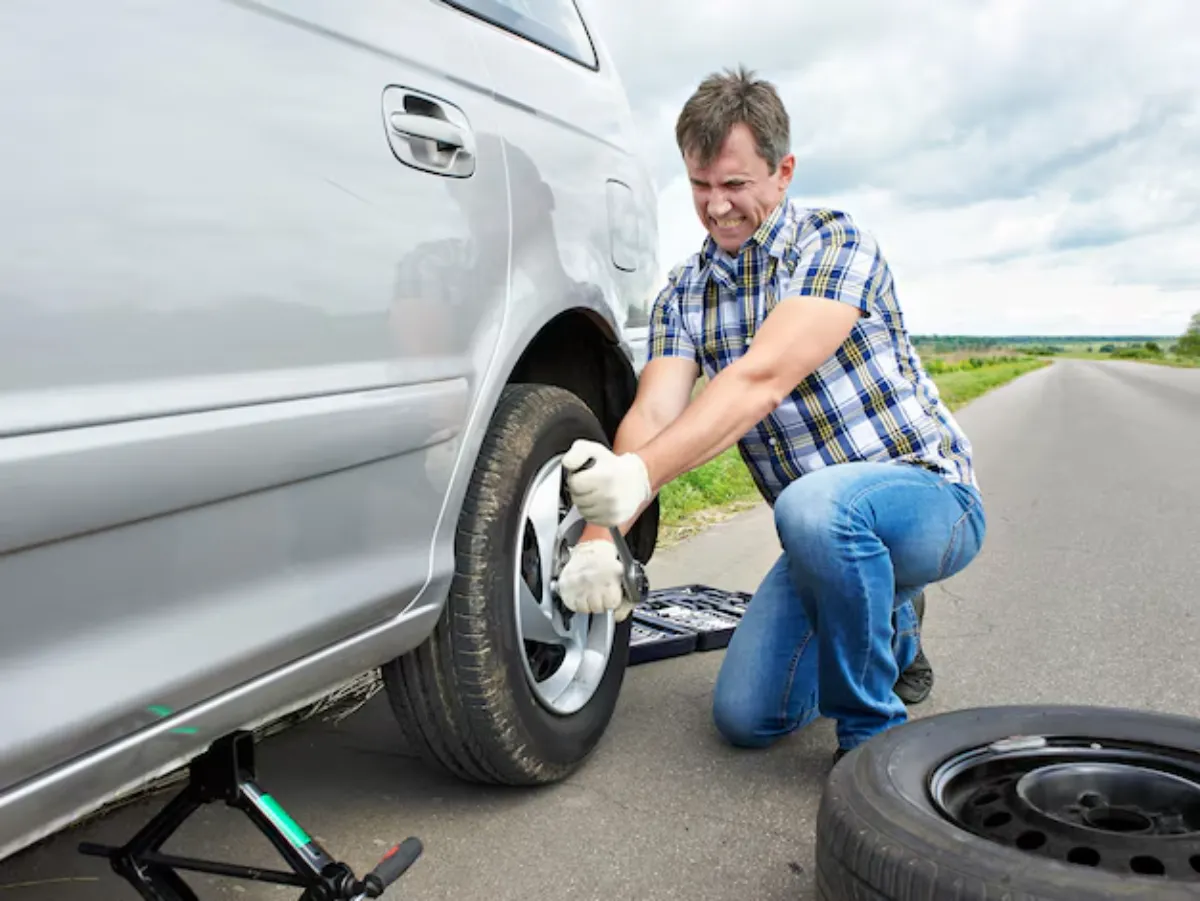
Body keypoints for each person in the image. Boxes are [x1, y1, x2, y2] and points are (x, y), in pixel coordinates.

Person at [554, 65, 986, 762]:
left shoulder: (835, 244)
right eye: (699, 185)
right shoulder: (683, 294)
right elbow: (654, 411)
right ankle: (890, 617)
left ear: (783, 173)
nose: (717, 206)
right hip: (822, 537)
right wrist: (602, 535)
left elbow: (762, 378)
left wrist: (638, 477)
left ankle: (871, 739)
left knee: (814, 506)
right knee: (747, 716)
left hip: (929, 500)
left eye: (734, 183)